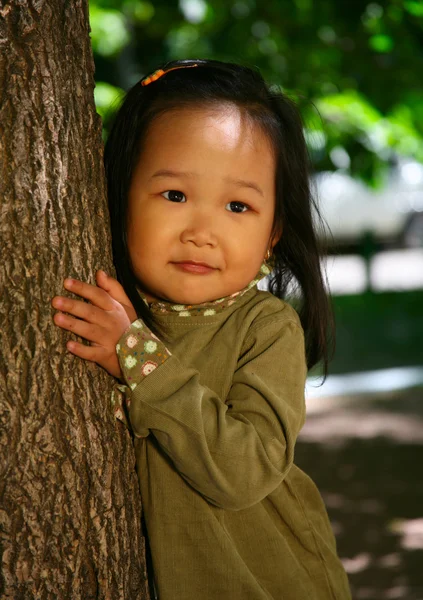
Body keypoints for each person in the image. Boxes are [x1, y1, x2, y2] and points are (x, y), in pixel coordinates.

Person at [51, 59, 352, 599]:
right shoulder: (120, 308)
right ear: (118, 197)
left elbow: (245, 472)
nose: (202, 232)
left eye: (238, 205)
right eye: (174, 196)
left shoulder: (265, 328)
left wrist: (136, 358)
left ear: (273, 233)